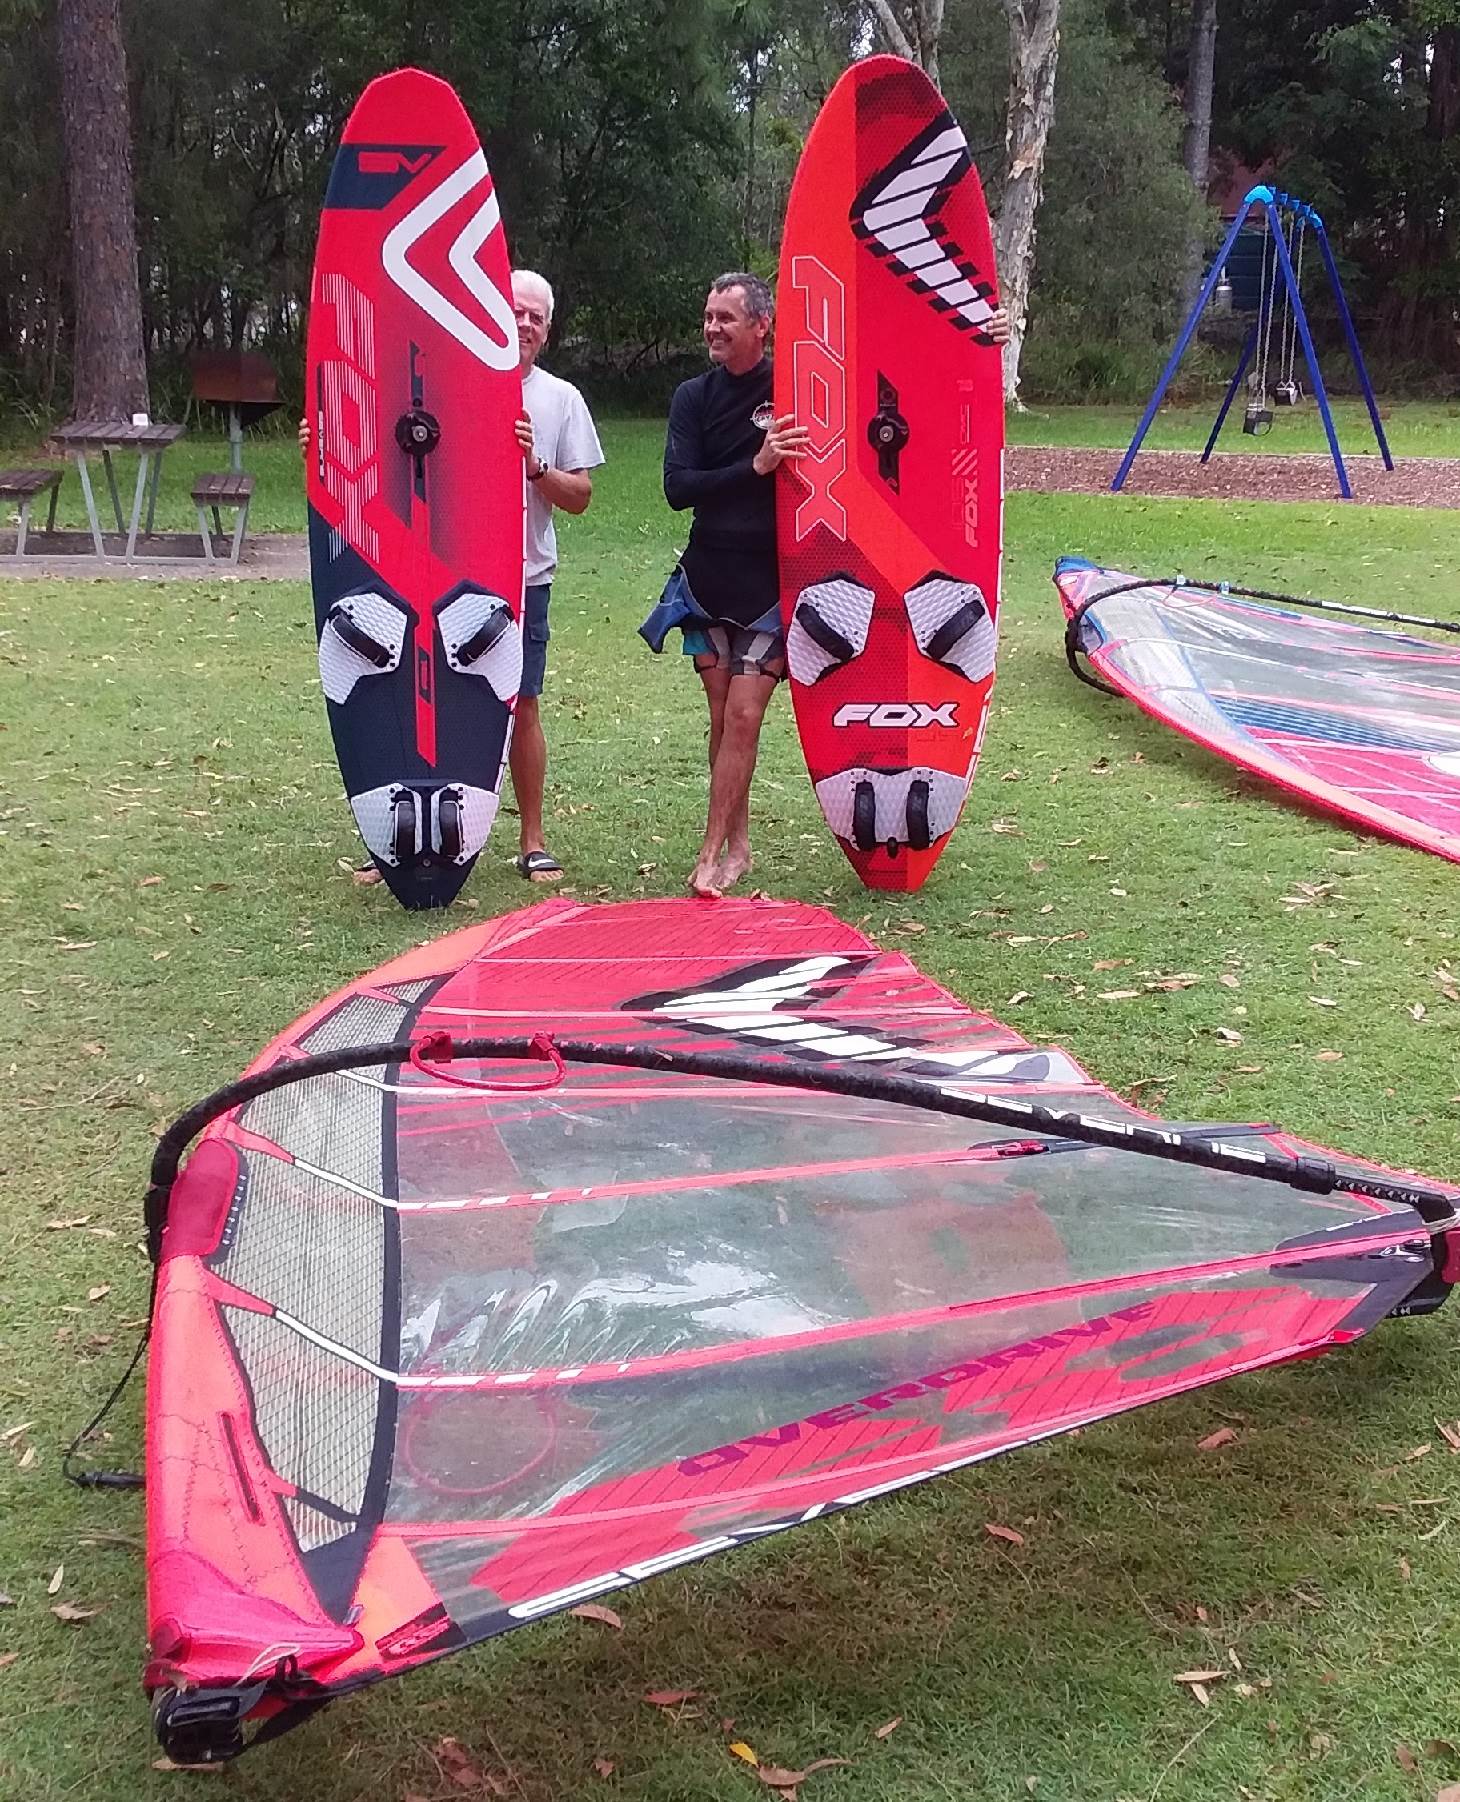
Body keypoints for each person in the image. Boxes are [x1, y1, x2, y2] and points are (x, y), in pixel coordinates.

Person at [646, 272, 1010, 900]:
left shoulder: (803, 386)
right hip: (708, 580)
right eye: (708, 317)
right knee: (723, 719)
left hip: (774, 583)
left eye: (725, 318)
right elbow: (678, 487)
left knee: (744, 715)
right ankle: (738, 846)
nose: (712, 328)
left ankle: (709, 855)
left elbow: (902, 389)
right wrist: (755, 466)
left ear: (762, 325)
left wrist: (977, 340)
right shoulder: (693, 397)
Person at [302, 266, 603, 885]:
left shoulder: (560, 399)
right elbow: (382, 458)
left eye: (536, 317)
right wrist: (322, 444)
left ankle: (532, 839)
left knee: (520, 704)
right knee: (414, 705)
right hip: (431, 578)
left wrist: (534, 465)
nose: (524, 324)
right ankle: (392, 844)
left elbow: (579, 497)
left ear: (547, 330)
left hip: (520, 579)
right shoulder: (438, 385)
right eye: (514, 311)